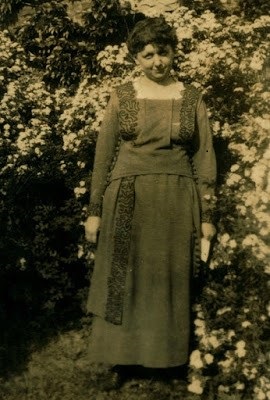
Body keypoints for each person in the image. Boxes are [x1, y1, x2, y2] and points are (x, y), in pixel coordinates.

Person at [84, 16, 216, 389]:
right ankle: (120, 361)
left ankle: (166, 363)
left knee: (167, 278)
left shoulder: (191, 97)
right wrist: (94, 211)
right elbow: (103, 154)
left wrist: (208, 214)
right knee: (122, 276)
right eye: (148, 55)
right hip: (127, 196)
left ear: (174, 51)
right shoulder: (123, 95)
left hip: (176, 197)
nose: (158, 61)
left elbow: (205, 156)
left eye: (164, 52)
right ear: (135, 59)